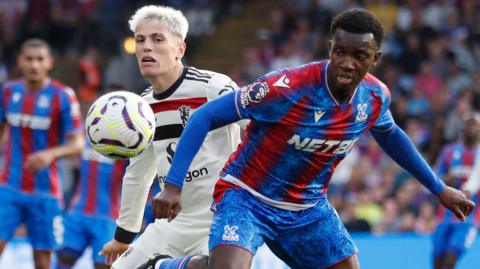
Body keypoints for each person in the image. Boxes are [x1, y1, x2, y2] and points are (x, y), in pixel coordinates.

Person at [142, 8, 475, 269]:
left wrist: (438, 188)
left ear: (375, 59)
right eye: (340, 52)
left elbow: (390, 135)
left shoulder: (375, 97)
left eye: (359, 56)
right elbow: (206, 115)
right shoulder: (286, 88)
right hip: (246, 198)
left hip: (308, 208)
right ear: (330, 47)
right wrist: (173, 184)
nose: (346, 63)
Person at [98, 5, 242, 268]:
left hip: (219, 220)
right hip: (172, 225)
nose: (146, 47)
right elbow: (138, 174)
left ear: (180, 49)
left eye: (157, 39)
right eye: (140, 40)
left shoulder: (214, 87)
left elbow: (255, 132)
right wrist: (123, 237)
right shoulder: (140, 108)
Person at [0, 38, 83, 269]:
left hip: (45, 193)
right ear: (20, 61)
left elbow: (77, 144)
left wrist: (50, 154)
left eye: (39, 59)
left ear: (50, 63)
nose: (34, 65)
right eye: (29, 59)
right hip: (8, 188)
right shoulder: (8, 92)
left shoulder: (62, 95)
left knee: (43, 262)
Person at [56, 139, 128, 269]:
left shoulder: (128, 144)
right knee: (64, 257)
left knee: (103, 264)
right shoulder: (87, 136)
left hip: (108, 217)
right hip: (78, 211)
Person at [432, 113, 480, 269]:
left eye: (475, 124)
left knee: (450, 261)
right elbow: (434, 179)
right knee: (437, 261)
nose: (471, 127)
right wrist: (447, 180)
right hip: (444, 216)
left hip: (470, 218)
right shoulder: (449, 151)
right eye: (469, 123)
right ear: (462, 127)